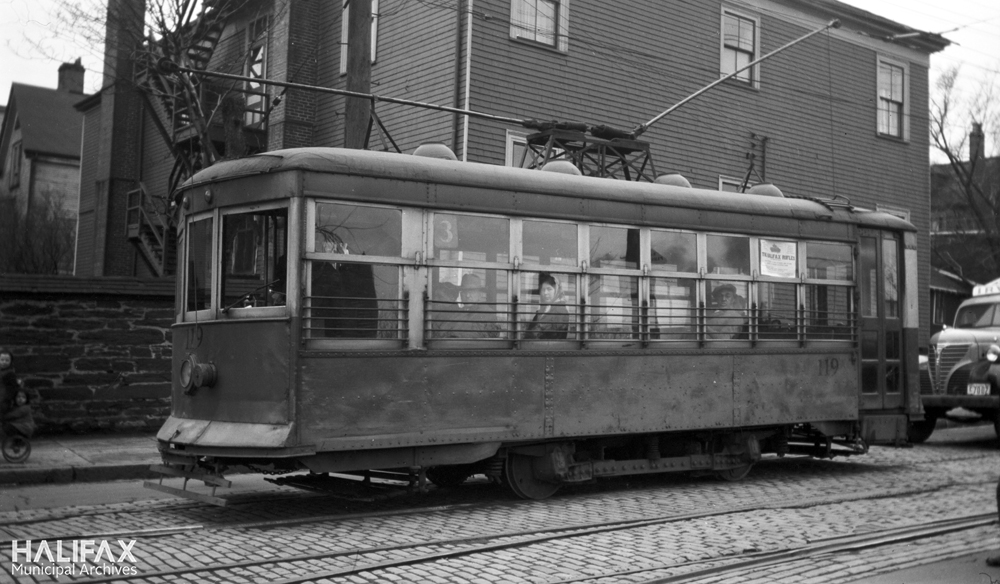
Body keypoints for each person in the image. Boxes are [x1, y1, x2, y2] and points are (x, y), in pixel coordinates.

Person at [435, 274, 500, 338]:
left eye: (472, 291)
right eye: (465, 291)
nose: (468, 295)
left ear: (480, 294)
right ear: (460, 293)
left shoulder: (487, 313)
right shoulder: (455, 314)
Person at [0, 348, 36, 439]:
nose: (4, 362)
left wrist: (6, 399)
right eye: (2, 360)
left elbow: (12, 389)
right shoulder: (2, 372)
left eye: (7, 360)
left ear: (11, 361)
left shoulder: (9, 374)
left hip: (3, 400)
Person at [525, 274, 570, 340]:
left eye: (549, 289)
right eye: (543, 289)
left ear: (556, 291)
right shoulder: (544, 308)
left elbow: (536, 333)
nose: (545, 293)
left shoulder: (560, 310)